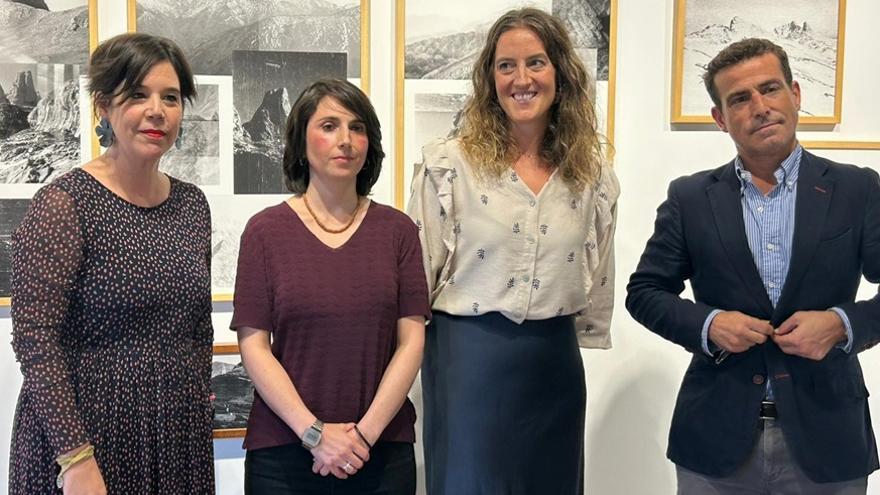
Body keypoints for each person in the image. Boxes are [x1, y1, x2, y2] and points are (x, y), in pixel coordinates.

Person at [627, 37, 880, 493]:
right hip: (714, 440)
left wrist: (842, 325)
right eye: (740, 99)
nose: (760, 107)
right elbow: (644, 291)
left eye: (771, 89)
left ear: (796, 95)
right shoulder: (690, 198)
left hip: (828, 437)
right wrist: (709, 324)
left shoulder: (857, 190)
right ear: (720, 119)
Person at [407, 8, 619, 495]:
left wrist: (588, 333)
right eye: (506, 66)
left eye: (536, 63)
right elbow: (416, 275)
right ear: (490, 79)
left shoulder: (591, 174)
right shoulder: (449, 164)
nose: (521, 79)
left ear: (560, 74)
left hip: (554, 363)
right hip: (467, 362)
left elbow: (598, 271)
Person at [9, 33, 214, 494]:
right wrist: (76, 458)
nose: (157, 110)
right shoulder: (64, 203)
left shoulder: (192, 204)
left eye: (171, 97)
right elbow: (35, 338)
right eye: (138, 94)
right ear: (104, 106)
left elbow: (199, 326)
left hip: (175, 435)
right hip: (84, 437)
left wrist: (194, 401)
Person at [231, 78, 430, 495]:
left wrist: (362, 437)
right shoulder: (265, 232)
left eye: (357, 128)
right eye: (328, 126)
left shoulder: (398, 232)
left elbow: (411, 342)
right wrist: (315, 434)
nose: (346, 140)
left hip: (380, 451)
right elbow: (254, 346)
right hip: (283, 453)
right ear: (301, 143)